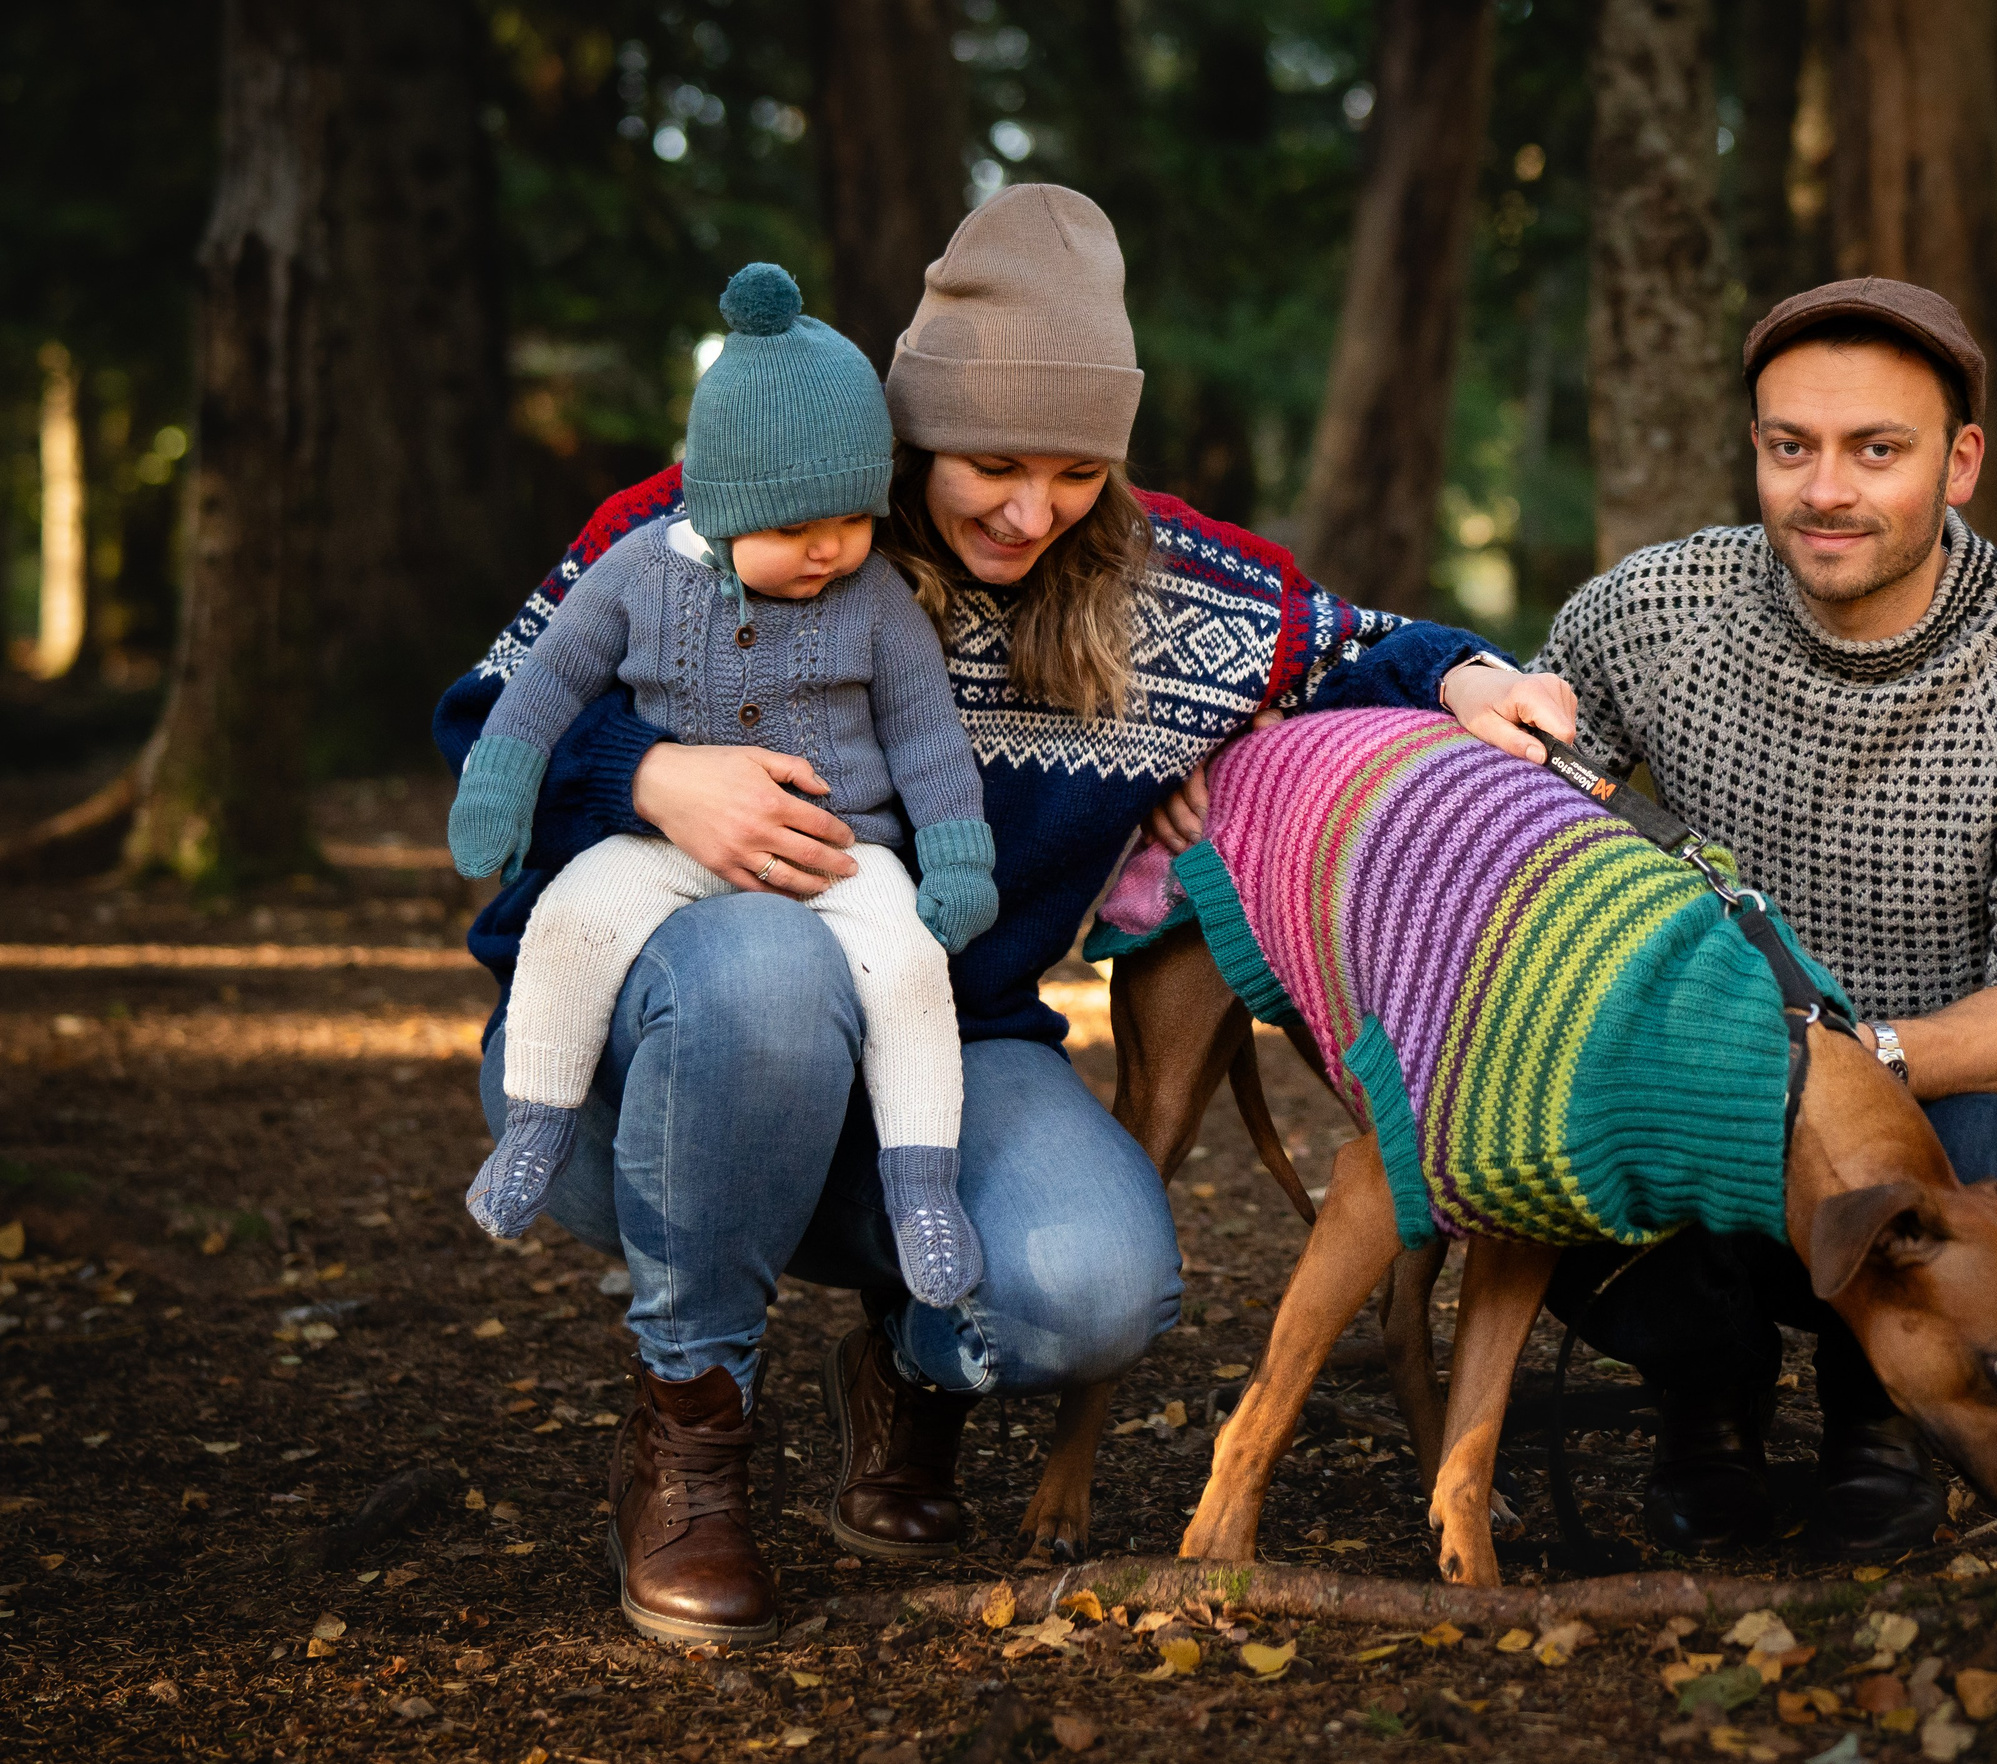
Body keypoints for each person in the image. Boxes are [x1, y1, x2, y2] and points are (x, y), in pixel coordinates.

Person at [429, 184, 1561, 1648]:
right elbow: (479, 724)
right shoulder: (715, 516)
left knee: (1094, 1289)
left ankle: (905, 1362)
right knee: (767, 968)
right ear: (909, 432)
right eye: (993, 465)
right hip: (638, 1061)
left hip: (941, 1044)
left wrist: (1472, 682)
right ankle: (691, 1435)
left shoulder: (1176, 605)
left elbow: (1362, 645)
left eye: (1080, 471)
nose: (1034, 512)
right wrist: (651, 774)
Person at [1436, 278, 1997, 1555]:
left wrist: (1838, 1067)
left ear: (1959, 461)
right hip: (1684, 1133)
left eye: (1874, 449)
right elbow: (1515, 855)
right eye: (1791, 447)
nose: (1824, 488)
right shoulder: (1648, 612)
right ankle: (1705, 1404)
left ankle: (1881, 1430)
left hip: (1918, 1140)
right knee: (1554, 1138)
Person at [447, 263, 996, 1319]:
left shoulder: (877, 600)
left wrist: (957, 857)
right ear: (726, 501)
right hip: (661, 846)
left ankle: (922, 1188)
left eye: (852, 518)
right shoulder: (637, 571)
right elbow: (544, 682)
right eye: (796, 528)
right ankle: (537, 1129)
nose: (830, 548)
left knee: (911, 976)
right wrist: (499, 790)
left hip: (847, 854)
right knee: (569, 922)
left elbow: (927, 737)